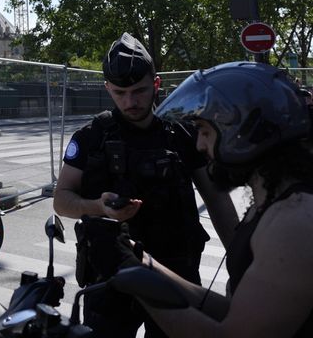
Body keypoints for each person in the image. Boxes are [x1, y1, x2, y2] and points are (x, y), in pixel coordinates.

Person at [106, 61, 313, 337]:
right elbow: (234, 311)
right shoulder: (277, 203)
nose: (199, 145)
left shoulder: (292, 223)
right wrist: (139, 262)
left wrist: (140, 286)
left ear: (242, 135)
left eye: (205, 131)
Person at [52, 33, 237, 338]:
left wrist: (241, 258)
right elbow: (62, 199)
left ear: (156, 84)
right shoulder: (91, 137)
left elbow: (217, 200)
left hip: (176, 272)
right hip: (110, 274)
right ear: (107, 89)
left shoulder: (183, 134)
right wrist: (98, 207)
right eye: (120, 93)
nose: (130, 101)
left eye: (138, 91)